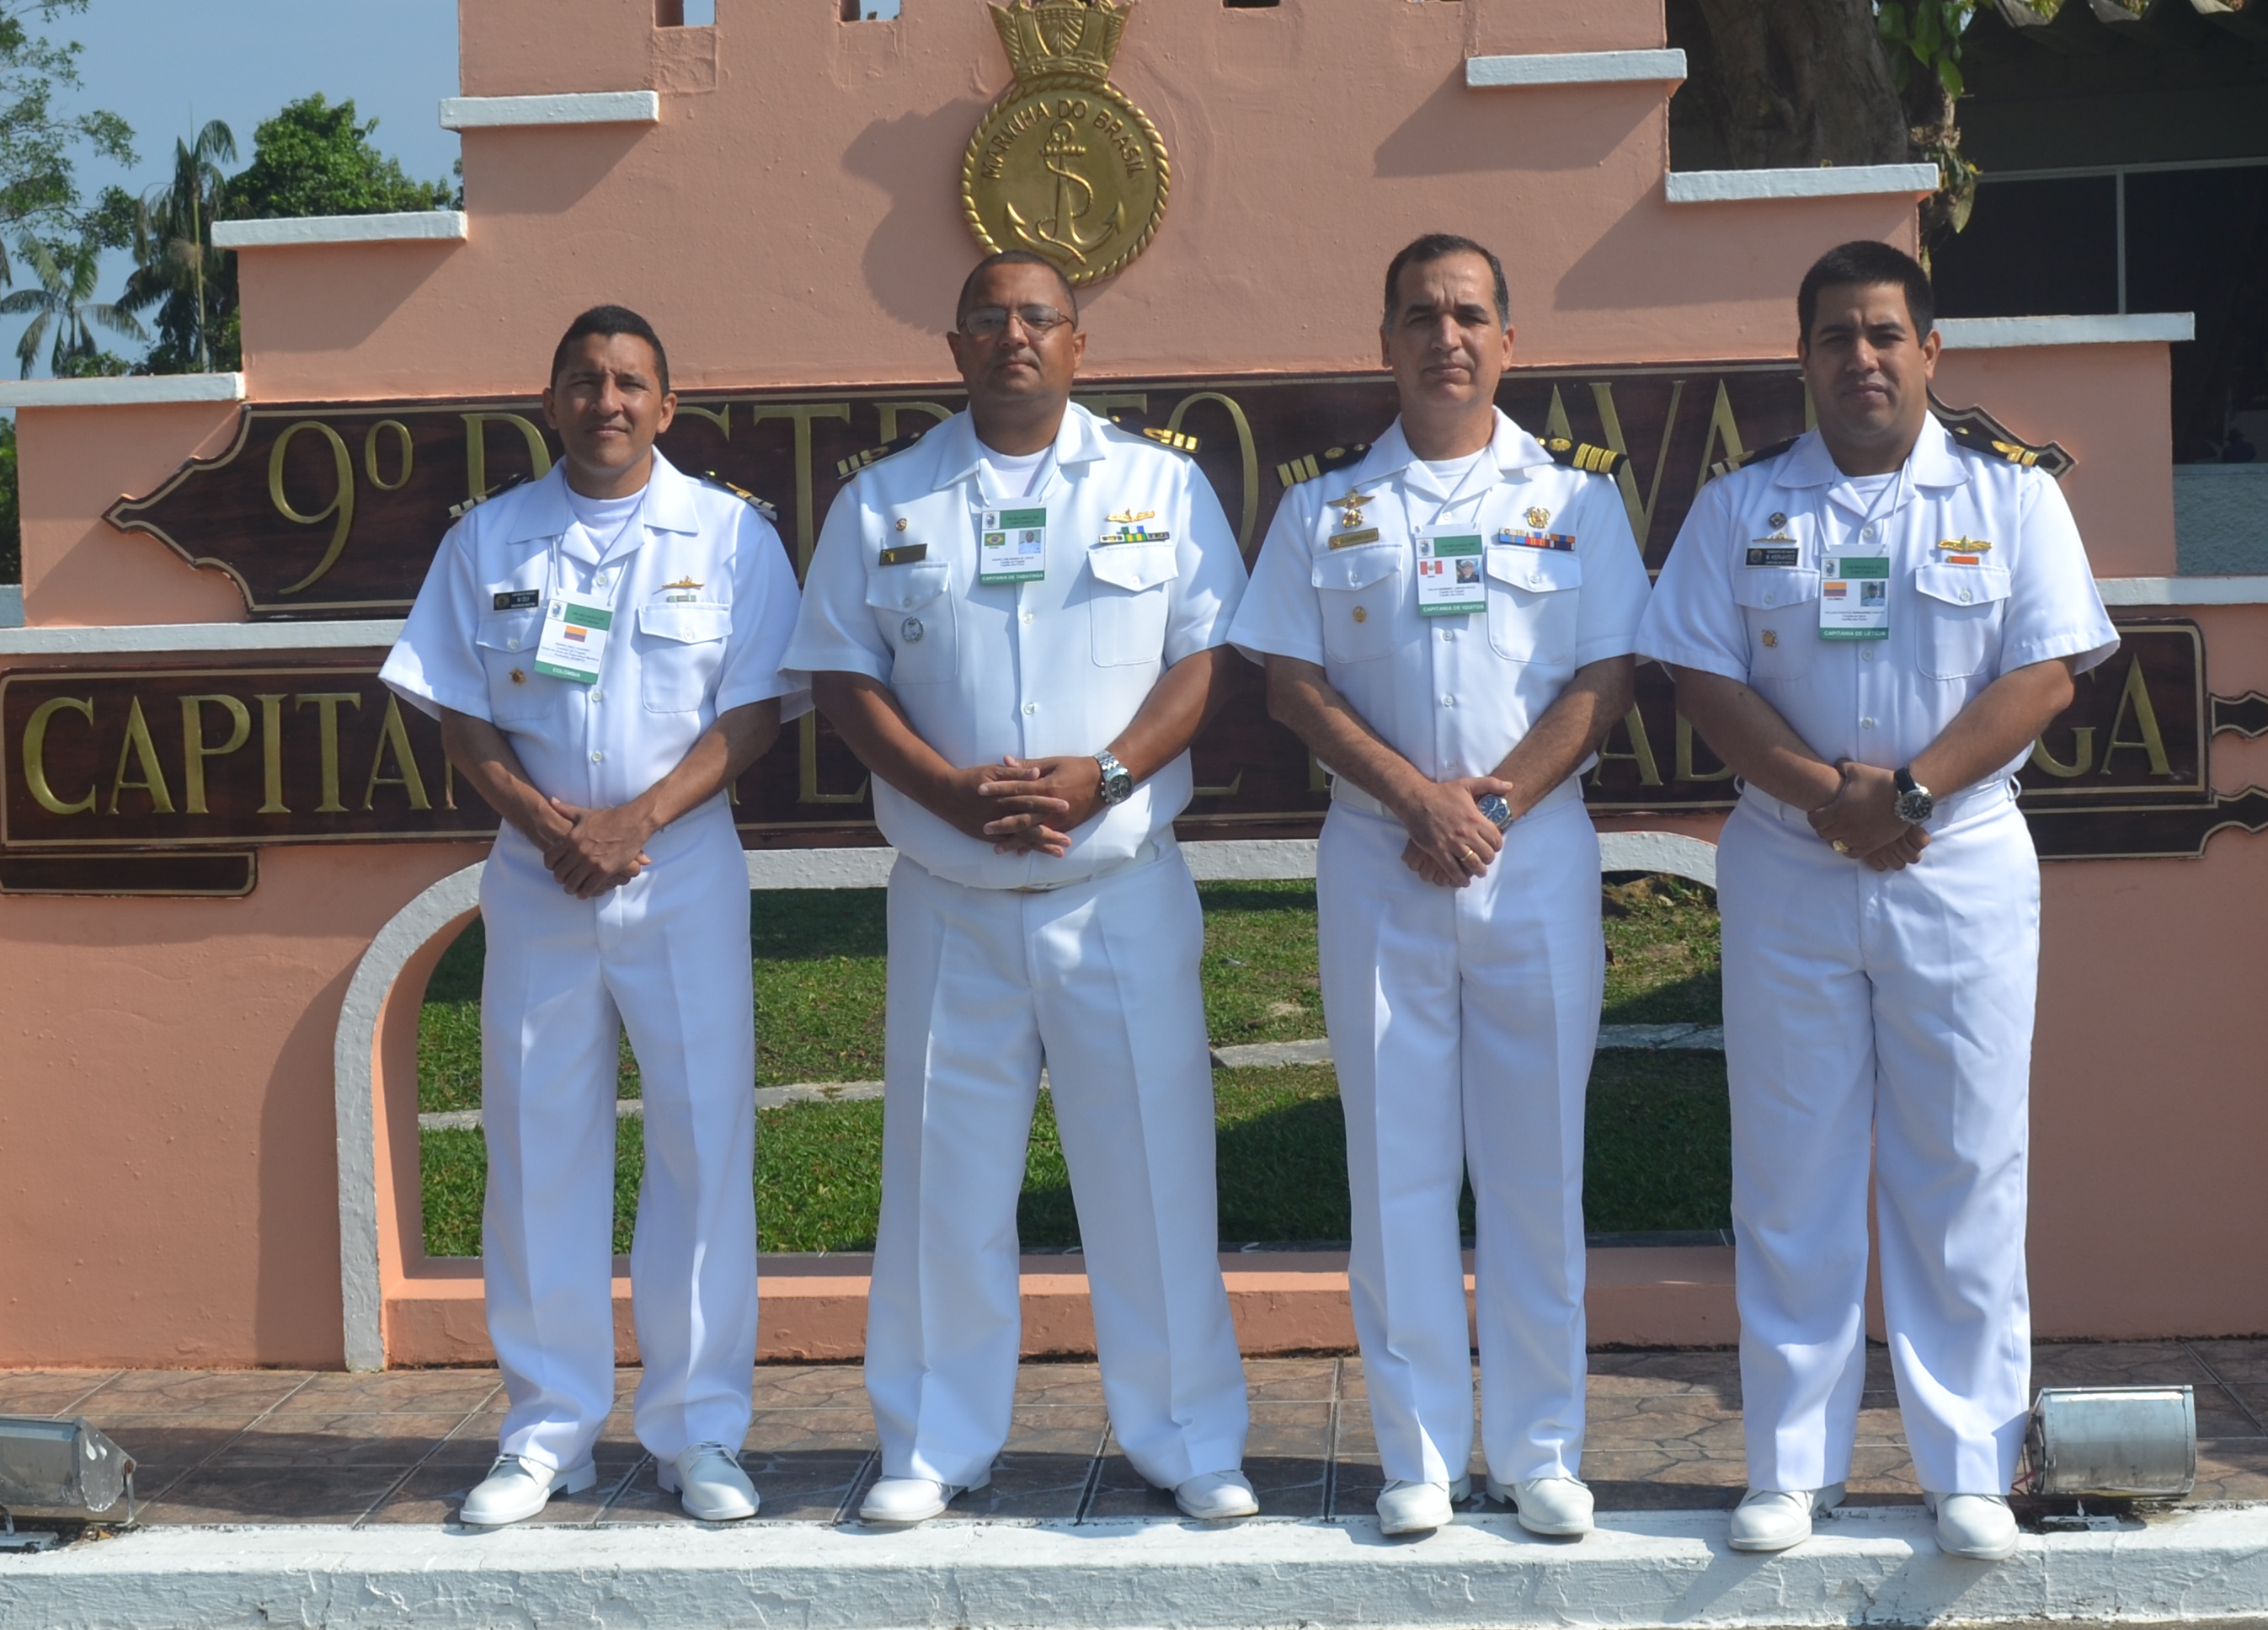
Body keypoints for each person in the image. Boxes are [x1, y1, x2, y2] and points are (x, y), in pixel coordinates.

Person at [1636, 239, 2114, 1561]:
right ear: (1802, 360)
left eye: (1886, 334)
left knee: (1962, 1166)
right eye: (1837, 337)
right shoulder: (1740, 510)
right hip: (1790, 865)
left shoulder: (2011, 502)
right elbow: (1702, 680)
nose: (1863, 358)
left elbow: (2047, 676)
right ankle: (1793, 1469)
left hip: (1955, 857)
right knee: (1791, 1173)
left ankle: (1970, 1463)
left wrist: (1903, 794)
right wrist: (1824, 799)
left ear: (1930, 353)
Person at [783, 253, 1258, 1527]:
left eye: (1038, 319)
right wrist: (944, 789)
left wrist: (1105, 773)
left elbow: (1204, 656)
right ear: (952, 346)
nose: (1014, 338)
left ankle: (1191, 1441)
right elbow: (842, 673)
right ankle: (932, 1446)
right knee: (943, 1184)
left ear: (1080, 343)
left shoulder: (1160, 485)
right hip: (949, 892)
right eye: (989, 320)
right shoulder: (886, 502)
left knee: (1155, 1175)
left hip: (1116, 887)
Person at [1227, 234, 1646, 1541]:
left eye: (1469, 315)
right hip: (1378, 857)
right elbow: (1290, 681)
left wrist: (1491, 806)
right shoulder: (1324, 510)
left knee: (1536, 1165)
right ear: (1386, 341)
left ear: (1509, 342)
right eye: (1419, 315)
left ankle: (1539, 1451)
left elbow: (1605, 681)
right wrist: (1419, 800)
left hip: (1532, 858)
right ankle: (1414, 1455)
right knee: (1394, 1163)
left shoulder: (1579, 503)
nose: (1445, 337)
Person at [380, 305, 804, 1528]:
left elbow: (757, 711)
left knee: (702, 1145)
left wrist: (635, 822)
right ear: (551, 400)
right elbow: (459, 715)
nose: (607, 401)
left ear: (668, 406)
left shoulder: (729, 536)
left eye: (630, 383)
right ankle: (545, 1431)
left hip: (679, 874)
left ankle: (700, 1433)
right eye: (583, 381)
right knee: (536, 1148)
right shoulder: (489, 539)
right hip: (537, 879)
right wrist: (549, 824)